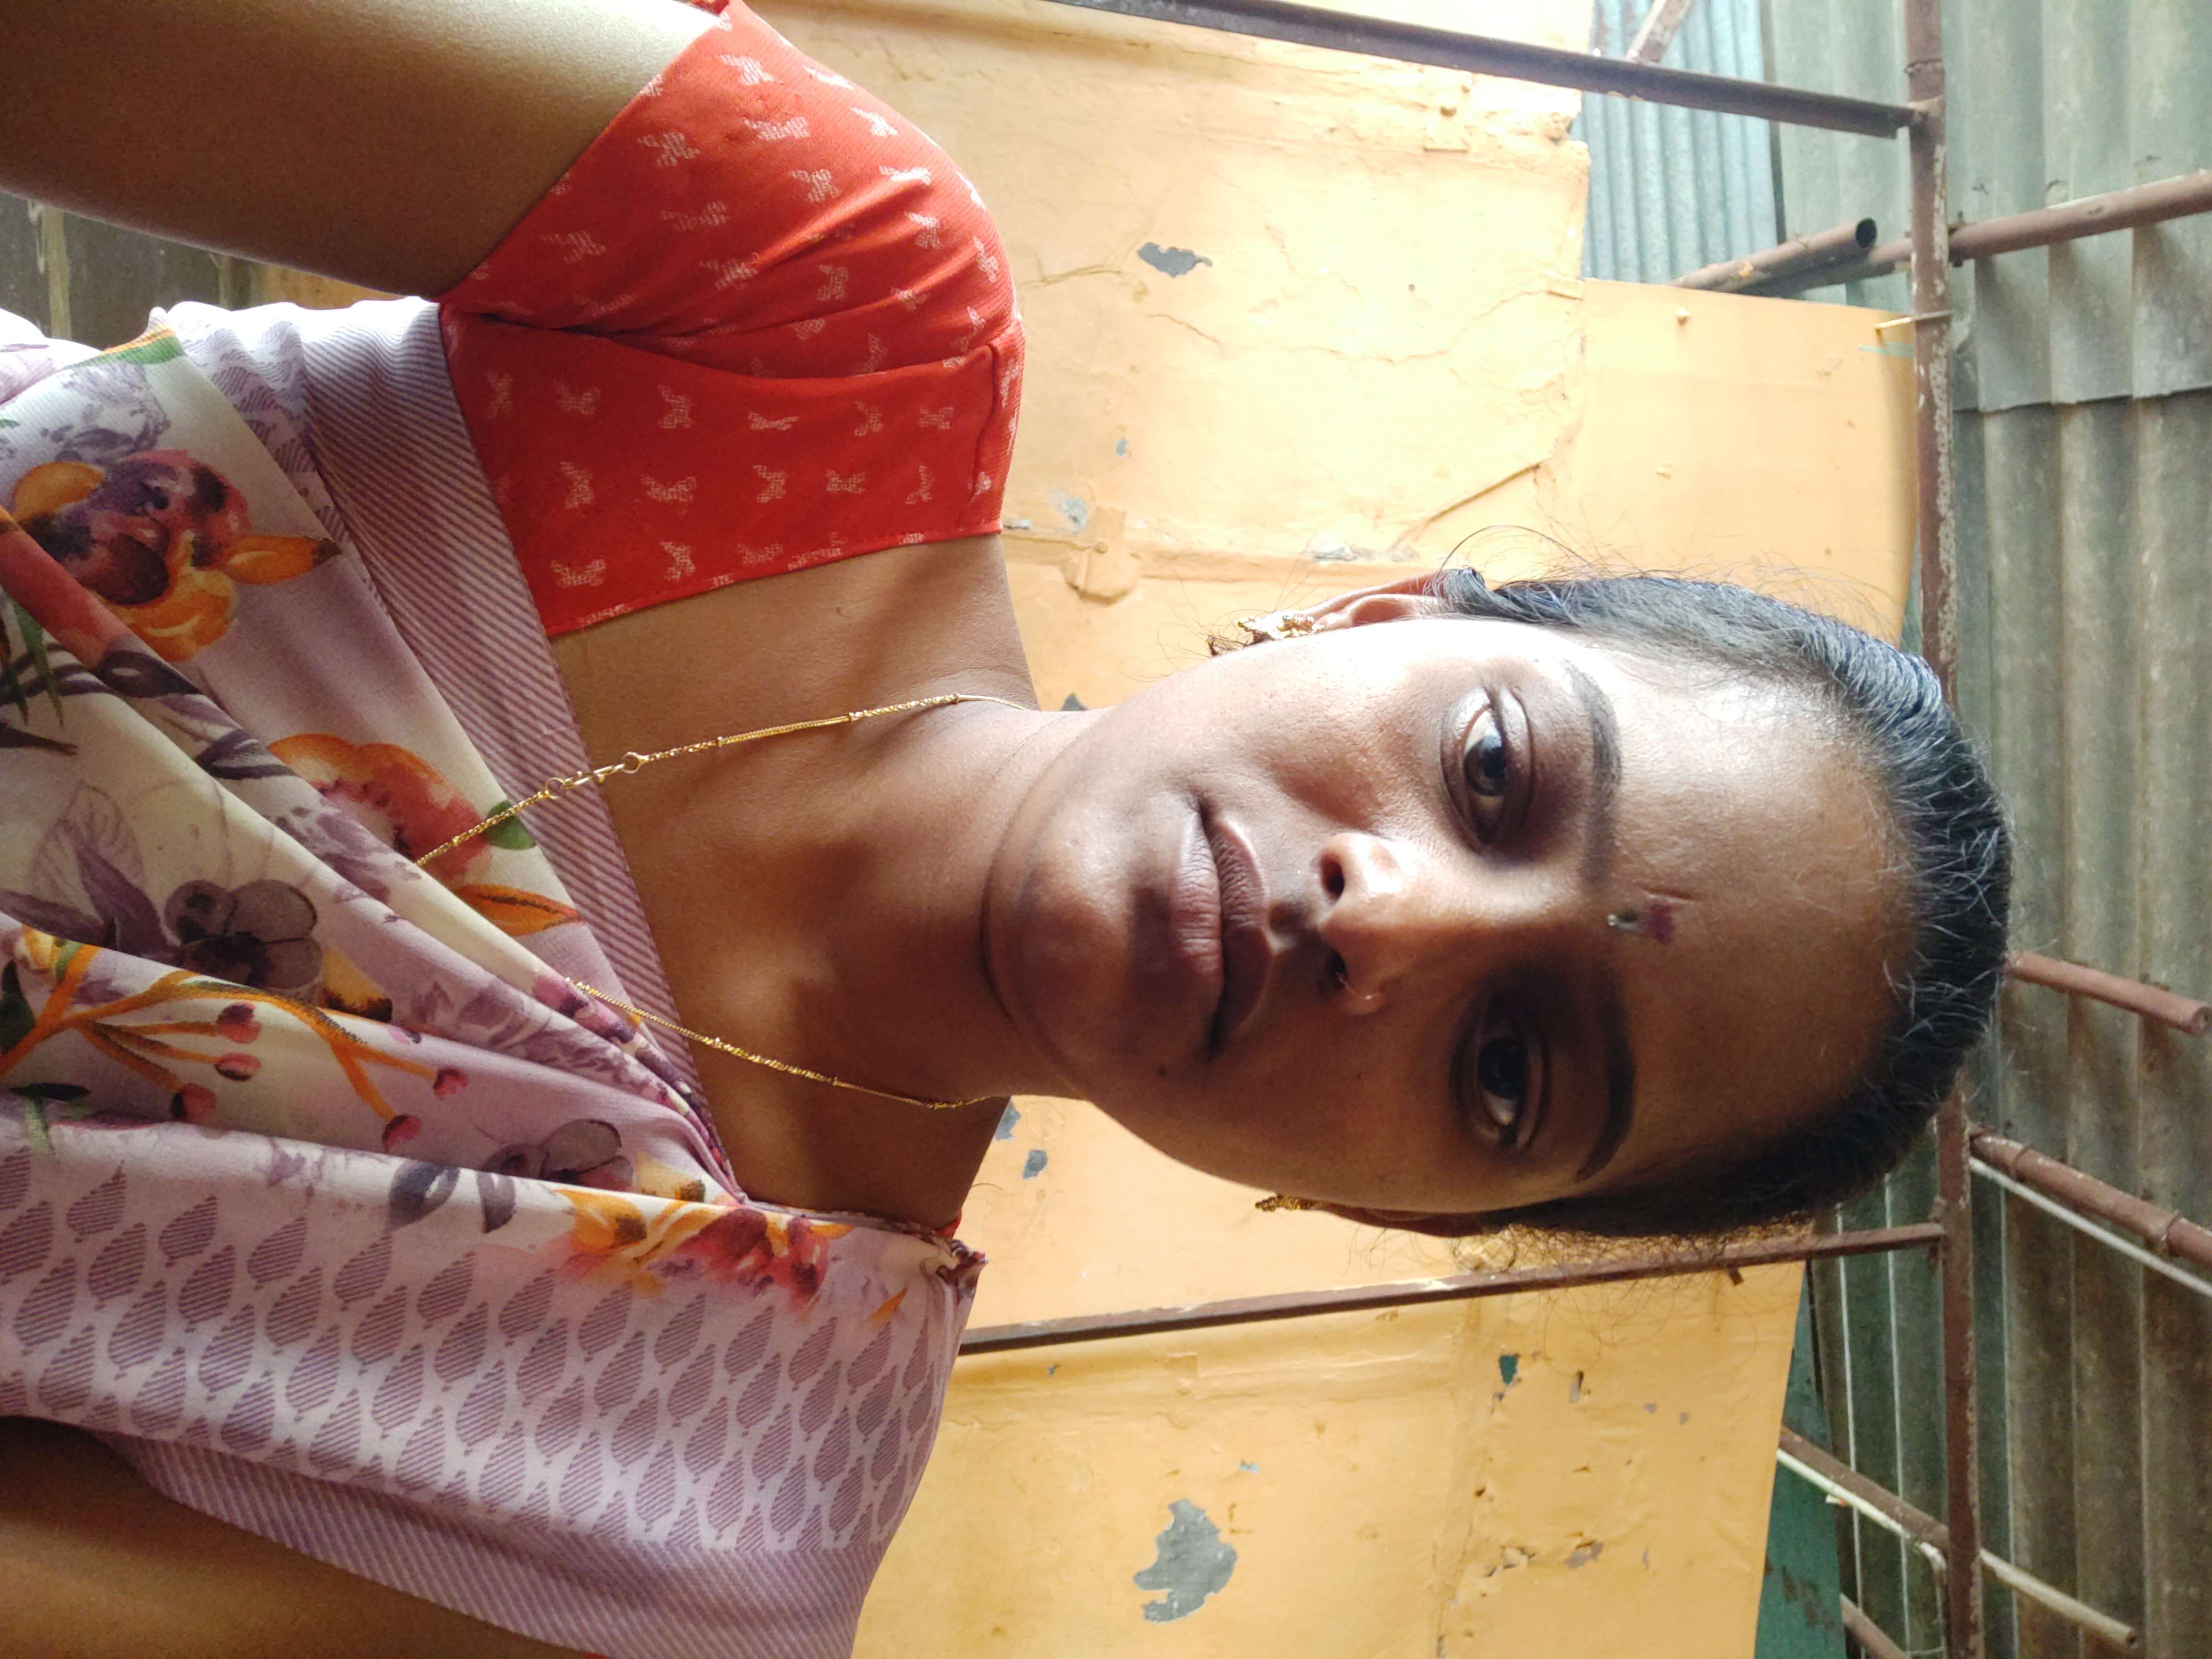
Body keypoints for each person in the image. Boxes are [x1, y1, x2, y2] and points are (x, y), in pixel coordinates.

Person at [0, 0, 2009, 1653]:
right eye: (1495, 775)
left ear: (1411, 1217)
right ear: (1379, 614)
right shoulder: (814, 307)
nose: (1384, 923)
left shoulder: (694, 1524)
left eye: (1507, 1069)